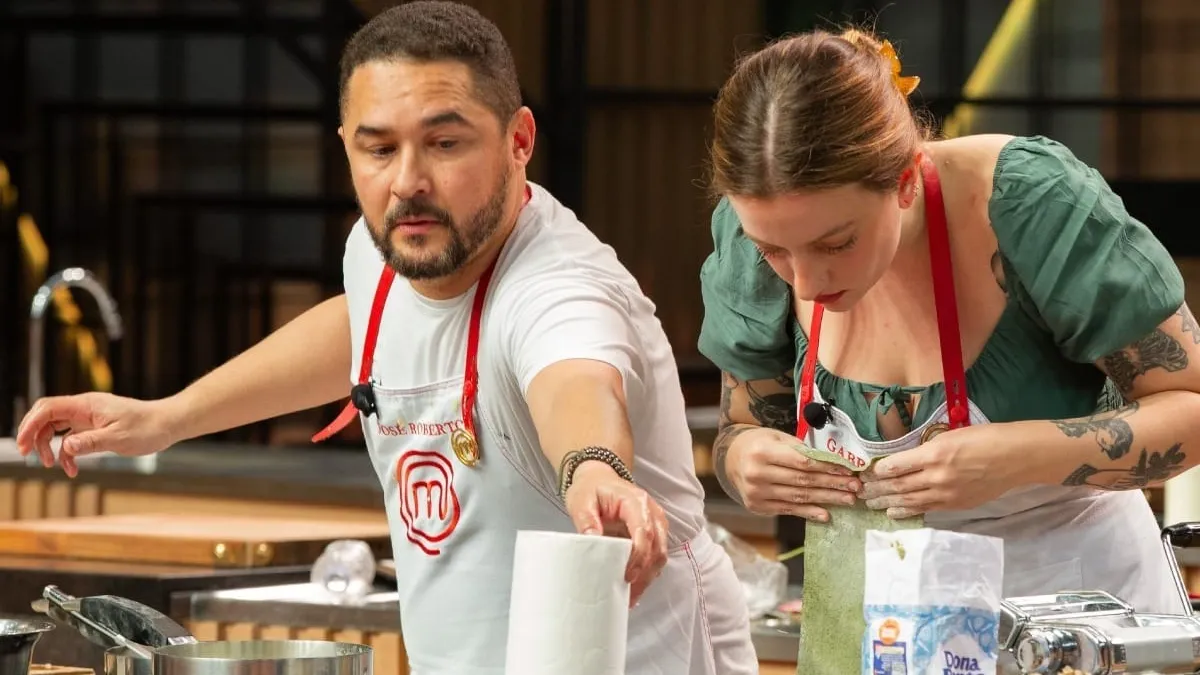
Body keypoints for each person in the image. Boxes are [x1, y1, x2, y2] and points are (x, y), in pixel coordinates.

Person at [15, 3, 757, 673]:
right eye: (378, 148)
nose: (407, 181)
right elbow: (360, 322)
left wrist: (595, 470)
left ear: (519, 139)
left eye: (444, 142)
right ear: (346, 147)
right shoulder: (383, 248)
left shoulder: (558, 285)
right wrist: (164, 418)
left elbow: (576, 376)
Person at [699, 25, 1200, 625]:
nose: (803, 282)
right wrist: (745, 461)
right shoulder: (748, 233)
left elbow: (1190, 403)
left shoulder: (1031, 204)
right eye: (771, 250)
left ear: (906, 179)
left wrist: (1015, 457)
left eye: (838, 242)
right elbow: (741, 428)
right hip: (876, 624)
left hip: (1078, 615)